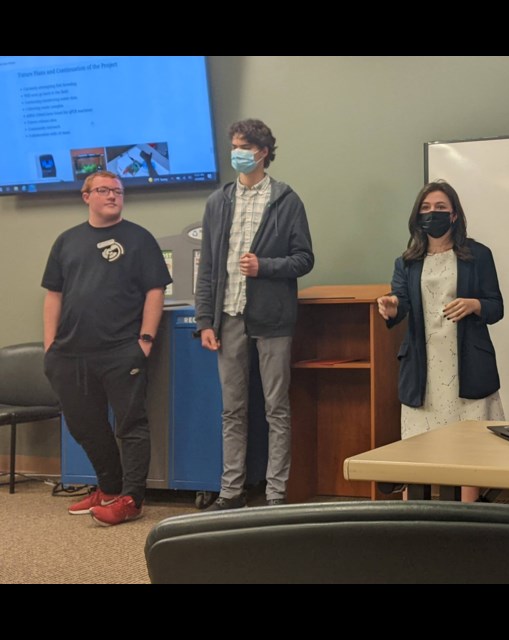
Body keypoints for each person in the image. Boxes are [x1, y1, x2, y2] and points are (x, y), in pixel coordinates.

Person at [195, 118, 314, 510]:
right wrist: (204, 321)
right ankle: (231, 491)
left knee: (276, 408)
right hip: (227, 317)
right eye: (234, 145)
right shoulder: (218, 201)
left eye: (244, 146)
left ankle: (276, 494)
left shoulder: (286, 199)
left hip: (273, 319)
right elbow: (209, 267)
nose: (237, 153)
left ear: (262, 152)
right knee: (232, 408)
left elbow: (304, 259)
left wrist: (265, 266)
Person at [42, 171, 172, 526]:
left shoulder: (139, 238)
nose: (112, 195)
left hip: (121, 349)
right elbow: (54, 294)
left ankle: (132, 499)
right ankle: (109, 488)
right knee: (84, 425)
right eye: (103, 190)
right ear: (86, 196)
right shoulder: (67, 241)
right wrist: (50, 345)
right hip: (70, 353)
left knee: (131, 424)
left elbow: (155, 291)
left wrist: (145, 341)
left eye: (118, 190)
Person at [377, 181, 504, 503]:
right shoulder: (406, 261)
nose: (432, 214)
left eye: (440, 209)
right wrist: (391, 306)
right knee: (418, 442)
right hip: (424, 365)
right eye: (426, 209)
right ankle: (413, 516)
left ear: (454, 215)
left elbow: (496, 306)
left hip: (466, 361)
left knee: (468, 444)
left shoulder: (478, 254)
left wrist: (475, 304)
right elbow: (400, 302)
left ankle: (469, 512)